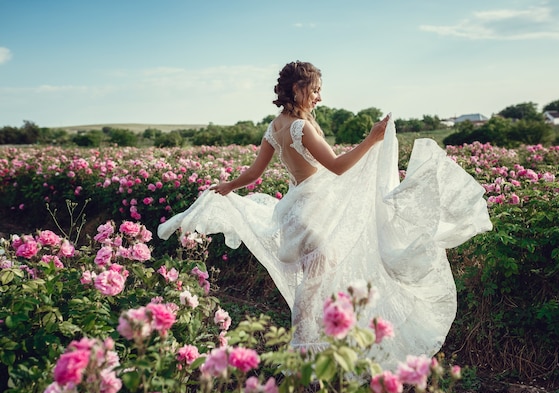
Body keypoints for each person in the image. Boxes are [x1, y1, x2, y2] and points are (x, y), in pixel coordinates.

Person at [158, 61, 492, 369]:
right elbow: (337, 167)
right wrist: (371, 139)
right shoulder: (301, 128)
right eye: (315, 89)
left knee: (317, 282)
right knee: (314, 284)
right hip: (314, 214)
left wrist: (228, 186)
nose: (320, 96)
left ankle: (314, 345)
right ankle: (304, 350)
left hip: (296, 211)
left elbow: (254, 173)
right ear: (298, 90)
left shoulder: (275, 126)